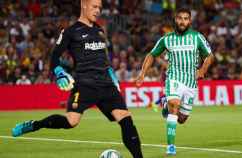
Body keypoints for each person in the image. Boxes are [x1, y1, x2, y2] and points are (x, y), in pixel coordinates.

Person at [11, 0, 143, 157]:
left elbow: (104, 59)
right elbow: (54, 57)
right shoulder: (70, 31)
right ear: (84, 5)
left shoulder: (99, 30)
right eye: (94, 7)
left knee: (125, 119)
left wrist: (113, 77)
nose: (97, 10)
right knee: (72, 121)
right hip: (85, 85)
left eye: (99, 7)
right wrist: (59, 72)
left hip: (106, 85)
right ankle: (35, 125)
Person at [136, 7, 214, 155]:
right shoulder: (167, 39)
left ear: (190, 21)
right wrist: (142, 74)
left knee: (182, 118)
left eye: (186, 18)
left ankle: (165, 104)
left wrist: (203, 70)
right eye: (180, 18)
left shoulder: (197, 37)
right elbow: (151, 55)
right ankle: (171, 146)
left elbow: (210, 56)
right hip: (174, 77)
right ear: (175, 20)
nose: (182, 21)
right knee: (175, 105)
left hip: (191, 82)